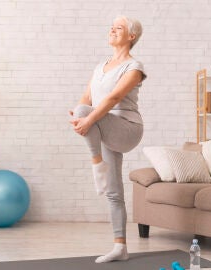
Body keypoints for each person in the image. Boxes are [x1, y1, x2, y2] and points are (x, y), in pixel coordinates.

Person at [69, 15, 146, 263]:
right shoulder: (100, 66)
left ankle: (96, 163)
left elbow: (113, 99)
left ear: (131, 36)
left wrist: (87, 119)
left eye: (119, 28)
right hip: (104, 127)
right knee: (114, 192)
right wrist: (79, 118)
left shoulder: (134, 68)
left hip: (127, 128)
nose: (112, 30)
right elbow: (85, 98)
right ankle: (120, 247)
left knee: (84, 114)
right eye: (111, 27)